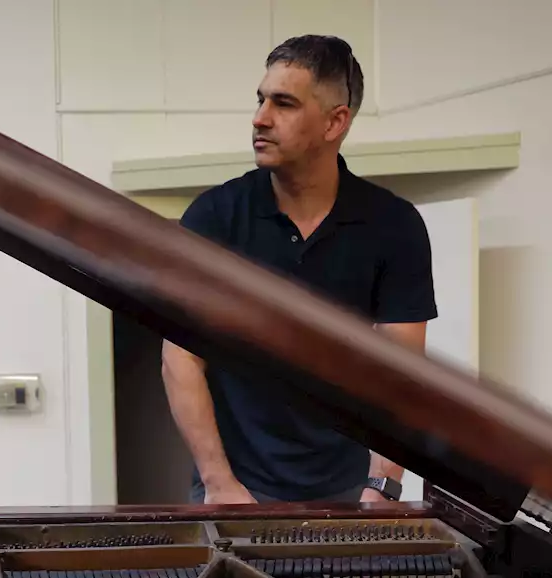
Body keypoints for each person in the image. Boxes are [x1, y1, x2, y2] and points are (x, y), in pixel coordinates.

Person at [162, 34, 436, 506]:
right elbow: (181, 357)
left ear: (335, 122)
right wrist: (219, 483)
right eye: (261, 99)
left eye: (283, 103)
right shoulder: (215, 216)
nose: (259, 118)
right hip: (235, 486)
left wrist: (384, 484)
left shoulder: (395, 226)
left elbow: (400, 371)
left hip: (349, 489)